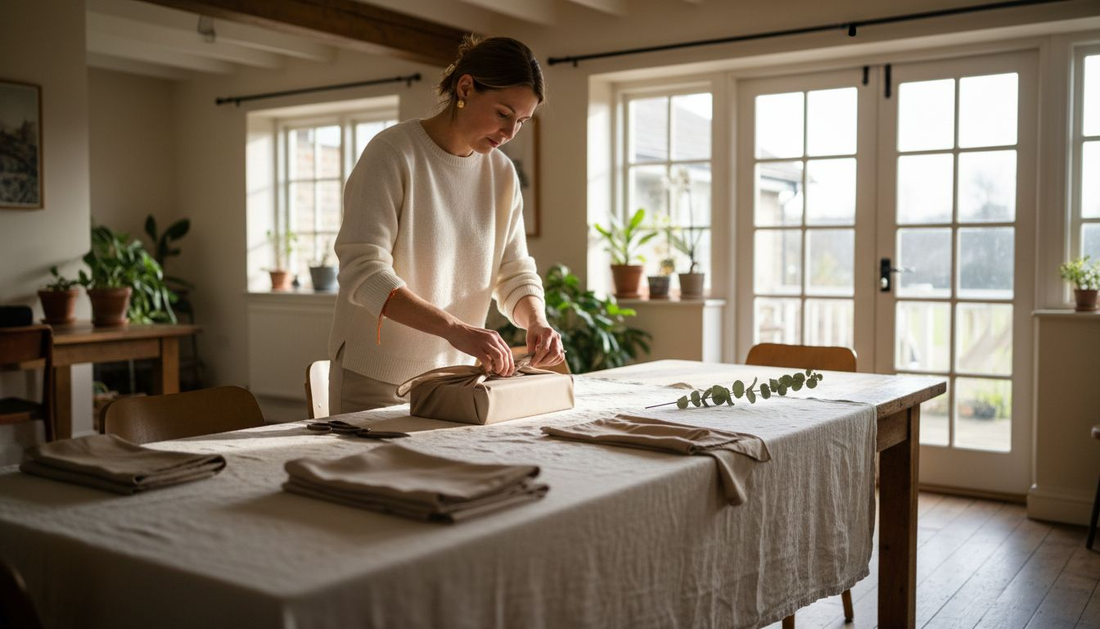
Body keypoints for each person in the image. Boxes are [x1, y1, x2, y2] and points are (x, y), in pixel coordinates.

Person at [327, 35, 564, 414]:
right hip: (375, 379)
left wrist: (536, 320)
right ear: (465, 87)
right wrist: (457, 330)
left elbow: (514, 269)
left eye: (521, 121)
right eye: (503, 113)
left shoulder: (502, 173)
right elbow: (364, 273)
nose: (509, 134)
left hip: (458, 377)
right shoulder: (392, 153)